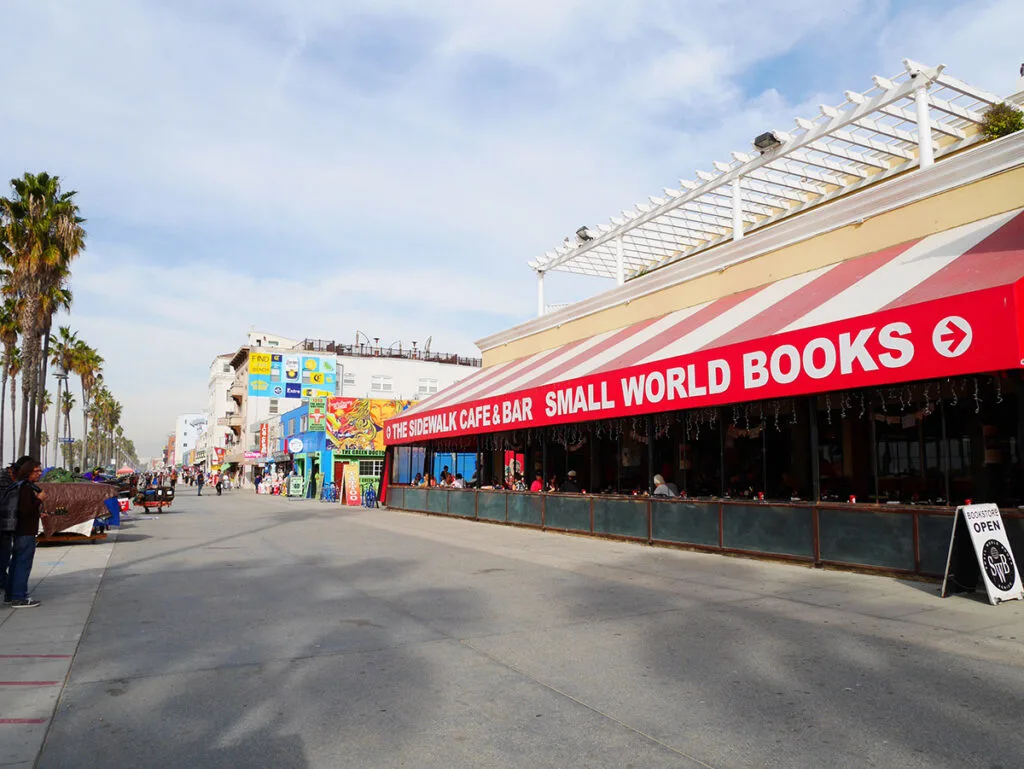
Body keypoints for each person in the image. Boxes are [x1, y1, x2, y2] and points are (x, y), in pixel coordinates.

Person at [4, 458, 47, 608]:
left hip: (19, 531)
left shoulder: (20, 486)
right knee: (23, 564)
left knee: (16, 563)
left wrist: (37, 512)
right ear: (28, 472)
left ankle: (11, 595)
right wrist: (39, 500)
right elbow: (25, 510)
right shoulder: (26, 488)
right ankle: (19, 596)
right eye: (37, 471)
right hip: (25, 532)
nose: (39, 473)